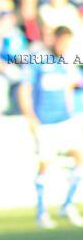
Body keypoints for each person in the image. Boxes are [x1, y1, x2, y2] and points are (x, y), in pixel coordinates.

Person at [18, 25, 83, 229]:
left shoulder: (65, 63)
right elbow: (25, 88)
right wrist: (30, 117)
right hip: (44, 122)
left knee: (79, 161)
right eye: (62, 41)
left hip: (64, 120)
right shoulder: (38, 60)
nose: (64, 46)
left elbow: (69, 88)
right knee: (45, 165)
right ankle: (41, 213)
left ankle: (67, 204)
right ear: (54, 39)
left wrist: (70, 111)